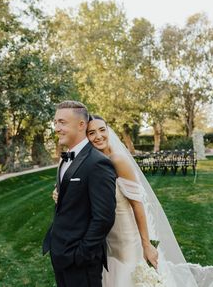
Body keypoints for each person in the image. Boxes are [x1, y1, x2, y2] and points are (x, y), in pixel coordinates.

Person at [53, 115, 159, 287]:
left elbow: (137, 204)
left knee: (127, 277)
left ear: (108, 130)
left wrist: (146, 244)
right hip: (101, 235)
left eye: (102, 130)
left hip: (125, 236)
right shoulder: (85, 162)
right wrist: (59, 194)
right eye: (91, 132)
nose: (98, 136)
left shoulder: (118, 160)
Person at [43, 102, 117, 287]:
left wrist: (80, 255)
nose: (57, 128)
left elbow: (104, 218)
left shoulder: (97, 163)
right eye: (55, 122)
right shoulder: (66, 156)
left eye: (62, 122)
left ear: (81, 125)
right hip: (59, 252)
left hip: (80, 262)